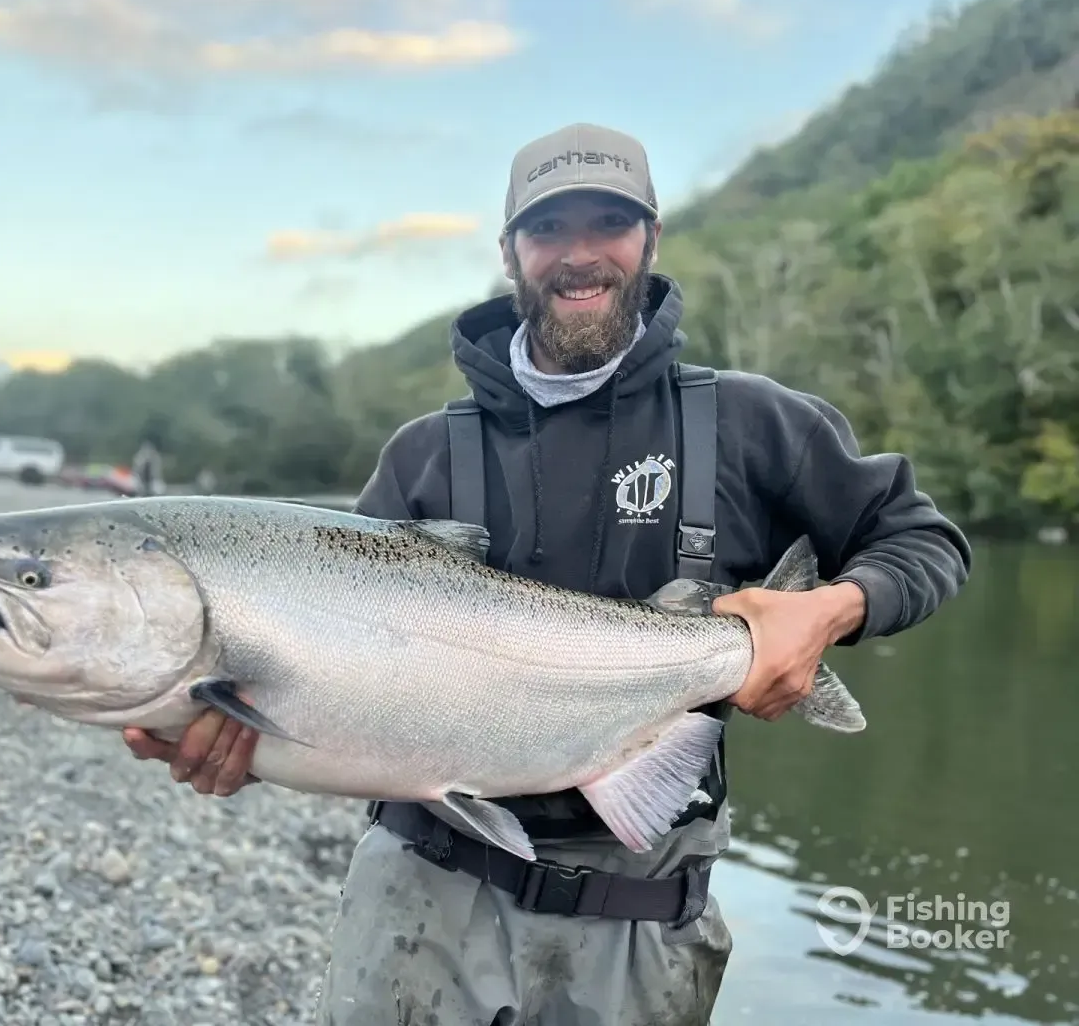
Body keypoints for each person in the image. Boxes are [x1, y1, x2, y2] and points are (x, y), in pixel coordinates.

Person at [122, 122, 972, 1024]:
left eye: (608, 221)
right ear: (508, 253)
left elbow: (925, 542)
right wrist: (246, 748)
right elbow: (339, 684)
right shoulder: (424, 456)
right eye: (547, 229)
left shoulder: (754, 424)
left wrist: (833, 610)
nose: (578, 254)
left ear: (651, 238)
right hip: (423, 890)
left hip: (641, 919)